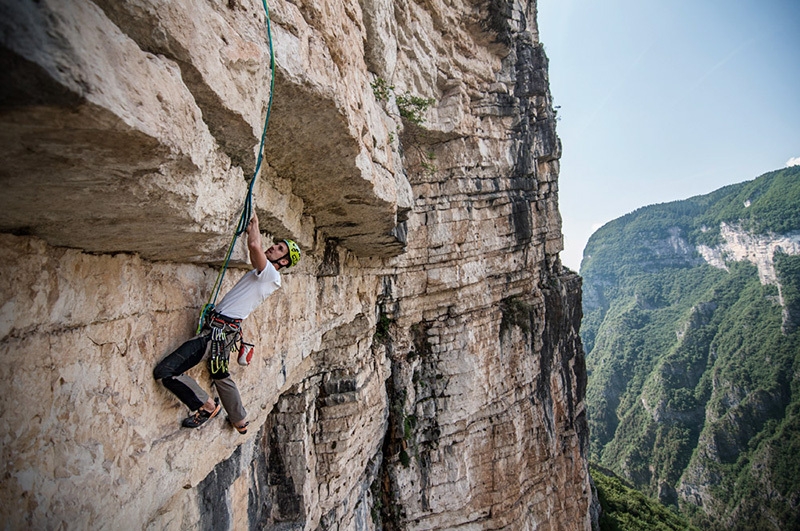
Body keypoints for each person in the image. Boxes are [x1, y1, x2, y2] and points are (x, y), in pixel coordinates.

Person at [154, 213, 300, 434]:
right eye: (276, 245)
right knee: (220, 374)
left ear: (284, 261)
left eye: (280, 249)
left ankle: (206, 406)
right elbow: (256, 253)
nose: (274, 247)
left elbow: (254, 245)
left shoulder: (270, 275)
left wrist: (255, 225)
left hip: (215, 334)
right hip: (225, 332)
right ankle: (239, 420)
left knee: (166, 371)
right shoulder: (263, 274)